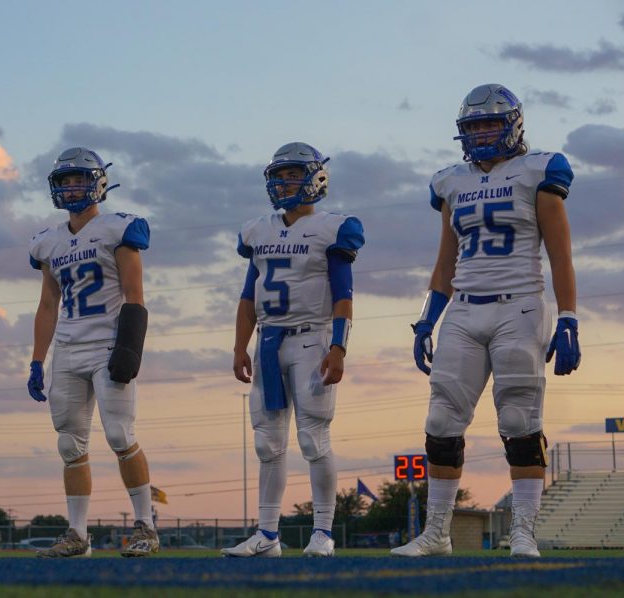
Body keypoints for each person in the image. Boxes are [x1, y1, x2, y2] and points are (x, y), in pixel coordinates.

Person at [390, 84, 578, 559]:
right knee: (440, 418)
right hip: (465, 308)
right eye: (473, 127)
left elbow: (560, 256)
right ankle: (437, 533)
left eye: (490, 123)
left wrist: (570, 317)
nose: (481, 133)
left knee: (519, 419)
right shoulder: (451, 182)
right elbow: (445, 261)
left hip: (520, 304)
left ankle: (523, 533)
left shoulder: (538, 171)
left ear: (513, 124)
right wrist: (426, 319)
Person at [225, 142, 364, 558]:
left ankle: (322, 533)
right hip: (268, 340)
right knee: (267, 443)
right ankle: (267, 536)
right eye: (279, 175)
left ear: (316, 178)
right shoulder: (258, 230)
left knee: (312, 438)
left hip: (311, 339)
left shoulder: (333, 227)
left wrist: (339, 346)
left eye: (293, 174)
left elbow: (343, 294)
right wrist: (238, 346)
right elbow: (249, 295)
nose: (285, 182)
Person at [28, 147, 158, 558]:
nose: (71, 187)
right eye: (64, 181)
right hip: (67, 347)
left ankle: (146, 527)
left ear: (99, 182)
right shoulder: (48, 242)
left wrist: (130, 348)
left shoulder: (118, 229)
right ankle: (78, 535)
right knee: (70, 445)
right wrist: (36, 359)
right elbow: (48, 304)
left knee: (120, 434)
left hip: (107, 343)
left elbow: (135, 296)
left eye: (79, 179)